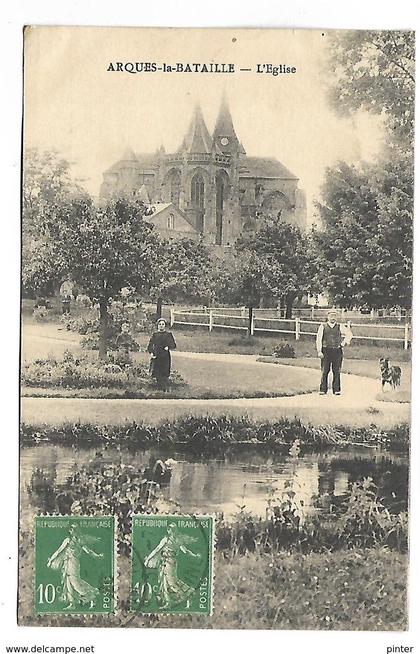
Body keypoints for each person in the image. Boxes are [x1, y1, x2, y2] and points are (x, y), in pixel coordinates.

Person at [46, 523, 103, 610]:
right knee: (68, 582)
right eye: (72, 529)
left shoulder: (80, 541)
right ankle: (72, 604)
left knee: (75, 582)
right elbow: (59, 551)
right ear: (70, 531)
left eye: (75, 529)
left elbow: (88, 551)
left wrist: (97, 556)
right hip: (67, 562)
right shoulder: (67, 540)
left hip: (74, 562)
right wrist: (51, 560)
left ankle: (91, 597)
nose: (73, 531)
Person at [144, 523, 201, 609]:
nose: (171, 531)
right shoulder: (171, 540)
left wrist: (194, 556)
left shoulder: (172, 540)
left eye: (172, 529)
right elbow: (158, 549)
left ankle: (188, 595)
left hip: (169, 562)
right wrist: (149, 558)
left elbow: (184, 551)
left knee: (171, 582)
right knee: (165, 582)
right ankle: (168, 602)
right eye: (170, 529)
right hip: (166, 562)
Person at [316, 309, 352, 395]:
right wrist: (319, 351)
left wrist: (343, 343)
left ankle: (336, 389)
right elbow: (319, 339)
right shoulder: (323, 326)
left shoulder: (340, 326)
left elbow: (349, 334)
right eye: (331, 316)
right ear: (328, 317)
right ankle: (323, 389)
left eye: (334, 316)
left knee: (336, 371)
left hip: (337, 351)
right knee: (325, 370)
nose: (333, 318)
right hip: (326, 350)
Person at [147, 318, 177, 390]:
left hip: (165, 356)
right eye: (160, 324)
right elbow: (150, 345)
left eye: (163, 324)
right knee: (157, 371)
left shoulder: (168, 335)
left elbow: (173, 345)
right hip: (157, 355)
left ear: (165, 326)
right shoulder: (155, 335)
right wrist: (151, 352)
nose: (161, 326)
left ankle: (164, 387)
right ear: (157, 325)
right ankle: (158, 387)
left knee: (165, 371)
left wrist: (168, 347)